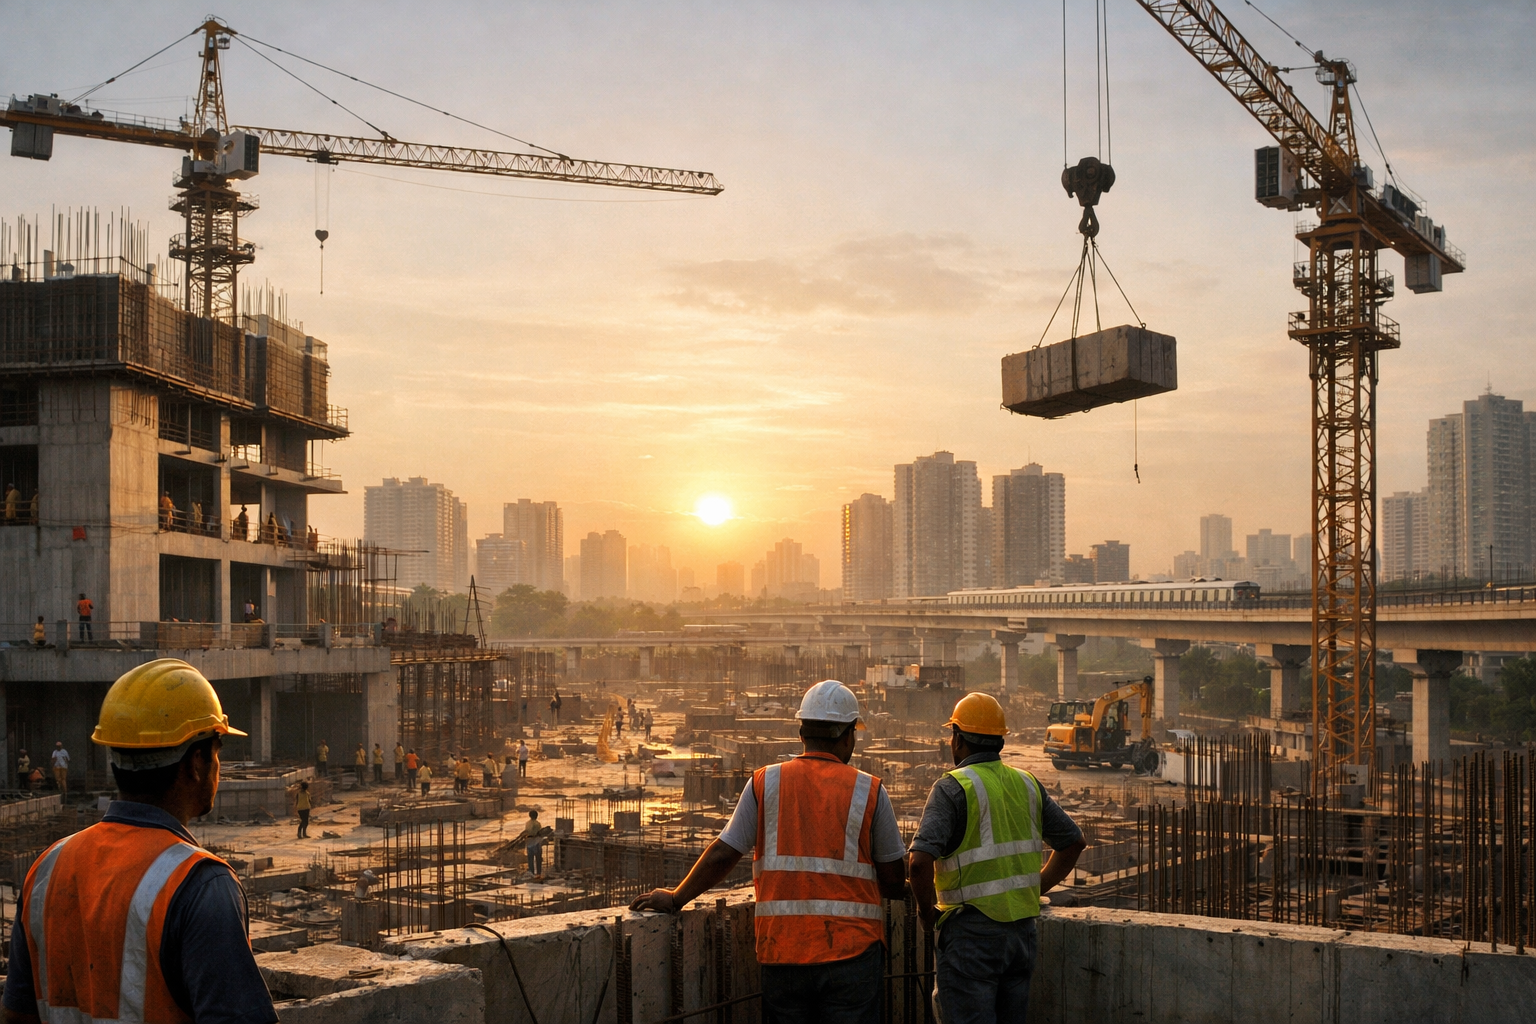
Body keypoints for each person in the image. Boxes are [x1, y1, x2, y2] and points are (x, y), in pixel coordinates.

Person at [2, 657, 277, 1024]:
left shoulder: (47, 868)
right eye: (217, 751)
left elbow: (17, 1015)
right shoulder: (200, 885)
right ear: (196, 763)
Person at [632, 680, 908, 1024]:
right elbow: (895, 880)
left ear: (800, 732)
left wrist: (676, 898)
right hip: (850, 955)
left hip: (783, 952)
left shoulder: (766, 782)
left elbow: (724, 852)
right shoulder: (869, 790)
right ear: (849, 735)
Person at [908, 693, 1086, 1024]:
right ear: (999, 741)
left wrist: (925, 913)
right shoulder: (1027, 783)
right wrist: (1035, 886)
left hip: (970, 937)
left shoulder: (952, 787)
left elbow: (919, 862)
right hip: (1021, 935)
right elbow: (1073, 843)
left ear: (958, 739)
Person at [523, 810, 547, 879]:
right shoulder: (537, 824)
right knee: (538, 859)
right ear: (536, 816)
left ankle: (532, 873)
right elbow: (539, 833)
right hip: (536, 842)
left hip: (529, 842)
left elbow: (527, 832)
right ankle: (538, 873)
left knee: (530, 859)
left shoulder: (527, 823)